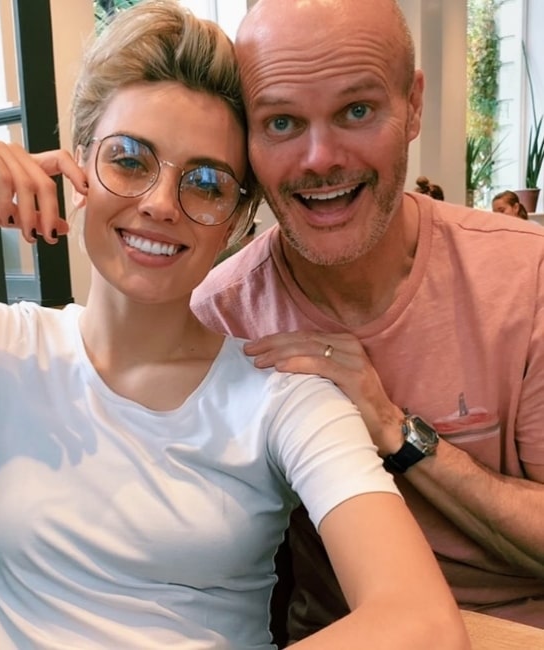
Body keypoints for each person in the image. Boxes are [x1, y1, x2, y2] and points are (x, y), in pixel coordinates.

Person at [0, 1, 467, 648]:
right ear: (79, 165)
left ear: (239, 218)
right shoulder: (0, 353)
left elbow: (421, 623)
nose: (162, 205)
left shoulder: (281, 395)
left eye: (205, 182)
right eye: (130, 160)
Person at [191, 0, 544, 642]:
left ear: (412, 105)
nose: (320, 157)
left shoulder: (527, 277)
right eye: (281, 121)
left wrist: (392, 428)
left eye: (357, 111)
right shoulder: (222, 313)